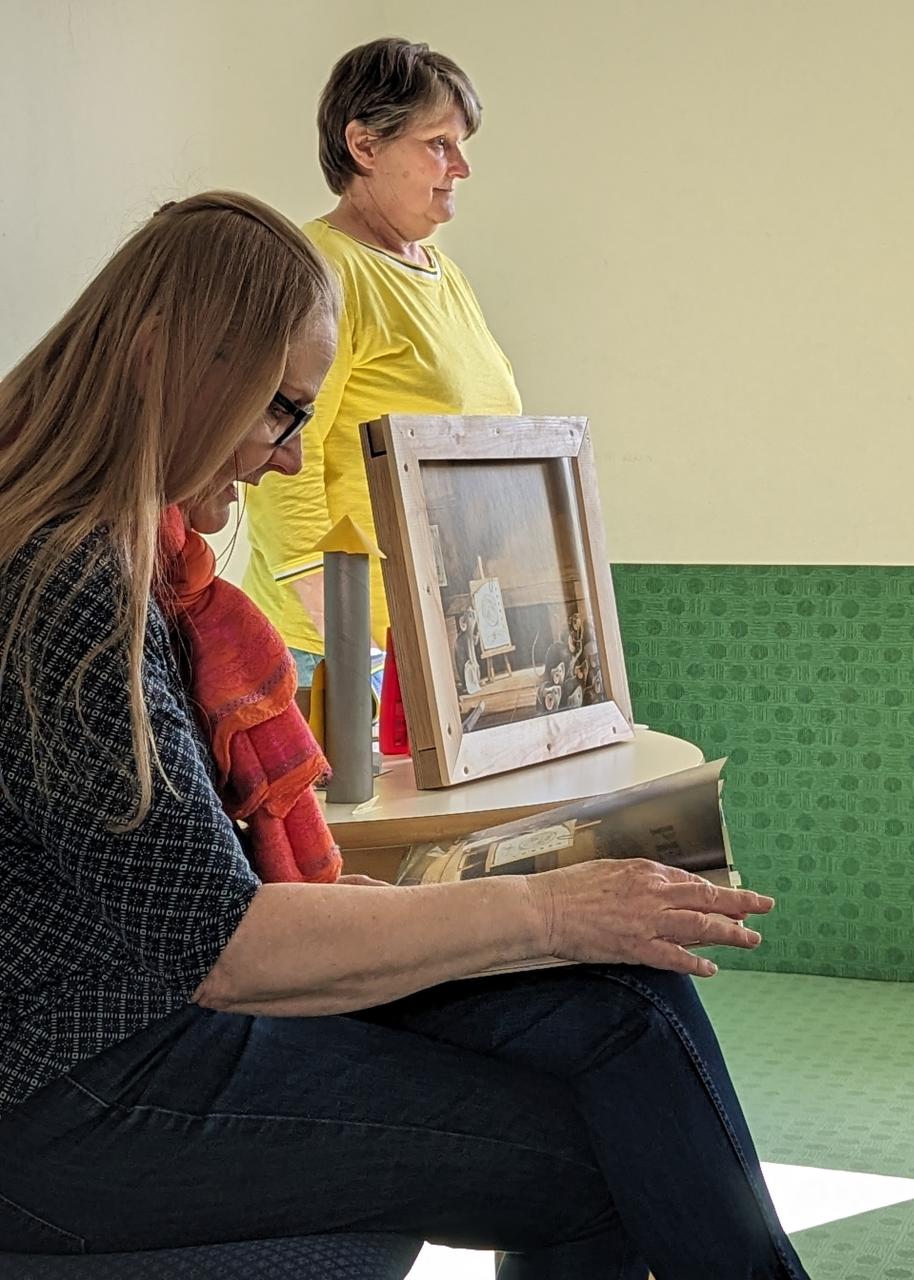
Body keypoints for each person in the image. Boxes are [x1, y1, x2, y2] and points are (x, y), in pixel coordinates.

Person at [0, 192, 811, 1280]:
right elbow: (225, 950)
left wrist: (550, 916)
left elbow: (188, 910)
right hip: (63, 1091)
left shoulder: (106, 553)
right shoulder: (68, 584)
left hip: (129, 1028)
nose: (288, 458)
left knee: (622, 994)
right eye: (281, 410)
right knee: (602, 1151)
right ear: (165, 361)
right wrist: (541, 906)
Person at [242, 37, 523, 689]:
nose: (461, 167)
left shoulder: (443, 276)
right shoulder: (321, 272)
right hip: (338, 657)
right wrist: (350, 650)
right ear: (364, 146)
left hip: (437, 643)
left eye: (462, 144)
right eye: (438, 145)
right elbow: (282, 460)